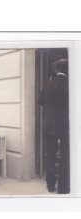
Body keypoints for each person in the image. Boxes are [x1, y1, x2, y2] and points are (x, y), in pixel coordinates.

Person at [38, 59, 69, 194]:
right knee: (65, 156)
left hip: (50, 126)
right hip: (65, 126)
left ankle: (50, 185)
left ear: (56, 70)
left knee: (50, 156)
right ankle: (63, 188)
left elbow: (40, 102)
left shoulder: (47, 84)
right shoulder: (71, 84)